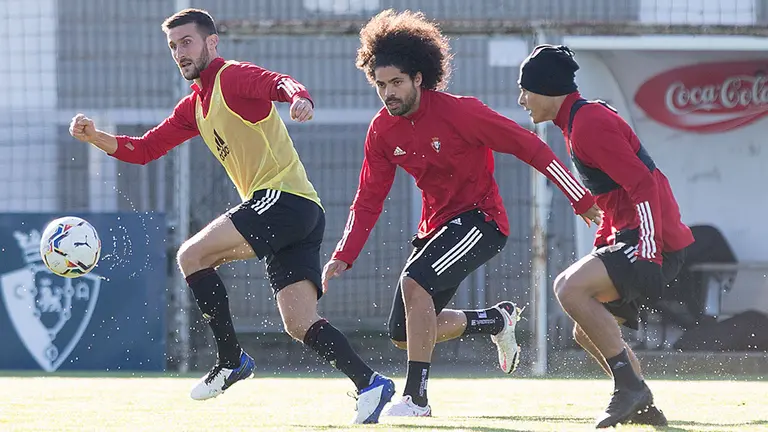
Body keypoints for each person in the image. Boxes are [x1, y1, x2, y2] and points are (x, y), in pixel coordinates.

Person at [68, 8, 395, 424]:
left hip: (283, 199)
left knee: (191, 256)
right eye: (173, 46)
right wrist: (95, 136)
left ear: (212, 42)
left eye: (187, 42)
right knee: (299, 322)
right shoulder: (193, 107)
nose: (179, 52)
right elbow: (145, 150)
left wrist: (299, 98)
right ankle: (371, 383)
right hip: (300, 212)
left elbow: (280, 83)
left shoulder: (232, 77)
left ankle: (230, 359)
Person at [322, 10, 599, 417]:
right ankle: (494, 321)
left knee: (413, 283)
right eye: (380, 85)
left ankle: (415, 399)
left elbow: (530, 146)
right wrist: (344, 253)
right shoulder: (382, 131)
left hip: (482, 221)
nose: (388, 93)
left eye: (396, 82)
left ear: (419, 77)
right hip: (437, 228)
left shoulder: (461, 112)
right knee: (404, 332)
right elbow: (367, 198)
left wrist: (580, 197)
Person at [517, 44, 694, 428]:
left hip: (653, 241)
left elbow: (643, 185)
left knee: (567, 288)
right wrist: (605, 242)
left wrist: (648, 252)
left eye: (525, 90)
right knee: (586, 331)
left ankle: (630, 390)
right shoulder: (578, 122)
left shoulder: (588, 124)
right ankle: (641, 401)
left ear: (547, 88)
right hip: (638, 237)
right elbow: (614, 197)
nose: (521, 99)